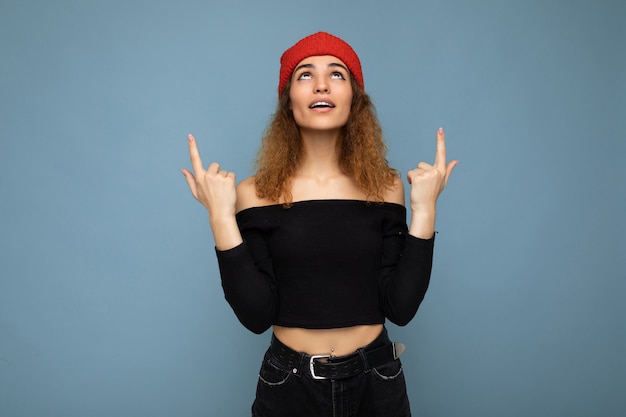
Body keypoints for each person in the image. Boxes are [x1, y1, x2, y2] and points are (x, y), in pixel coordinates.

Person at [181, 31, 457, 417]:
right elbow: (257, 315)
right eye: (305, 75)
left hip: (376, 384)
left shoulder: (386, 186)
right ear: (288, 100)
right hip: (288, 387)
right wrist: (220, 217)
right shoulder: (253, 193)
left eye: (337, 74)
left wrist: (425, 211)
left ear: (355, 99)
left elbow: (401, 306)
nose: (322, 84)